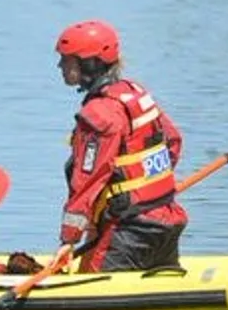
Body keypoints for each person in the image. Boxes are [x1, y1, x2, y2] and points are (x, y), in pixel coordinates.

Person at [53, 19, 189, 273]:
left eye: (67, 60)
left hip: (128, 233)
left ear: (89, 63)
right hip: (165, 220)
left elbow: (88, 179)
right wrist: (152, 191)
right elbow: (172, 142)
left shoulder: (99, 114)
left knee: (89, 291)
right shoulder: (135, 94)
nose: (60, 66)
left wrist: (68, 239)